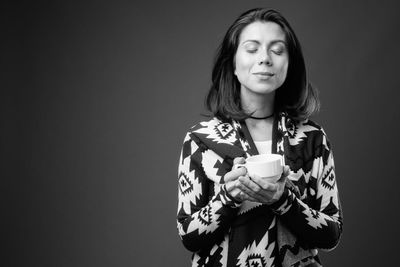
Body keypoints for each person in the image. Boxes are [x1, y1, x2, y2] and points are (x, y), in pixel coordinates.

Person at [176, 8, 342, 267]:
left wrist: (283, 200)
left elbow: (331, 234)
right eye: (252, 49)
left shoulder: (312, 139)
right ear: (232, 62)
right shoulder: (200, 140)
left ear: (290, 64)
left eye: (277, 50)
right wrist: (229, 196)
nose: (265, 59)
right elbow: (188, 235)